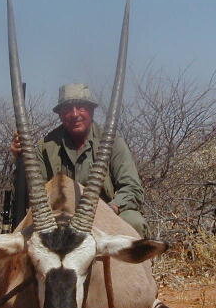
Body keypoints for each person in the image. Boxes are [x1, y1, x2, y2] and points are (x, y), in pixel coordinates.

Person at [11, 83, 148, 237]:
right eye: (68, 109)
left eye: (81, 107)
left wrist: (111, 209)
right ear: (60, 115)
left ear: (92, 110)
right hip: (58, 221)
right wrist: (21, 160)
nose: (75, 114)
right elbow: (33, 194)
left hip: (101, 218)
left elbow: (132, 188)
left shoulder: (113, 143)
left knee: (133, 221)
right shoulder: (45, 147)